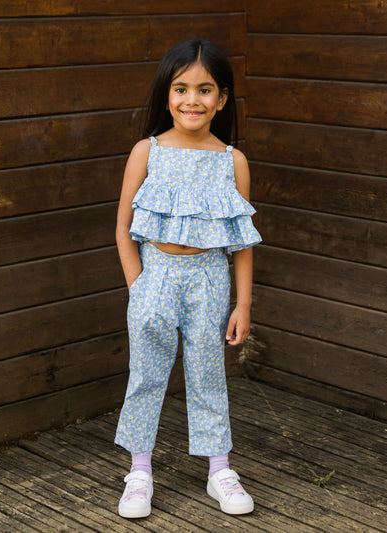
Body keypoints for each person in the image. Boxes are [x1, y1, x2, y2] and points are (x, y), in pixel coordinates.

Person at [114, 39, 261, 519]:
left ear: (221, 98)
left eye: (205, 89)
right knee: (146, 374)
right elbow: (122, 225)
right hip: (155, 274)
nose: (192, 99)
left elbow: (241, 242)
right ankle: (139, 471)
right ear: (167, 95)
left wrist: (242, 305)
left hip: (209, 281)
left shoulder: (232, 161)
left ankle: (219, 467)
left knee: (207, 373)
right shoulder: (147, 151)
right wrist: (138, 286)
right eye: (181, 88)